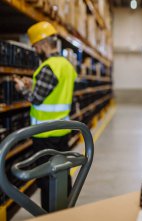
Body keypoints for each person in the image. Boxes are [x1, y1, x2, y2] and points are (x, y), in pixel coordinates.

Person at [13, 21, 77, 211]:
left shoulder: (50, 67)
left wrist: (22, 89)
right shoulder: (65, 65)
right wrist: (32, 83)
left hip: (45, 133)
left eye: (35, 47)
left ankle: (50, 214)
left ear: (41, 45)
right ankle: (66, 209)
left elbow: (37, 99)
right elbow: (54, 92)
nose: (35, 51)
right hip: (61, 130)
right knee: (62, 171)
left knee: (47, 177)